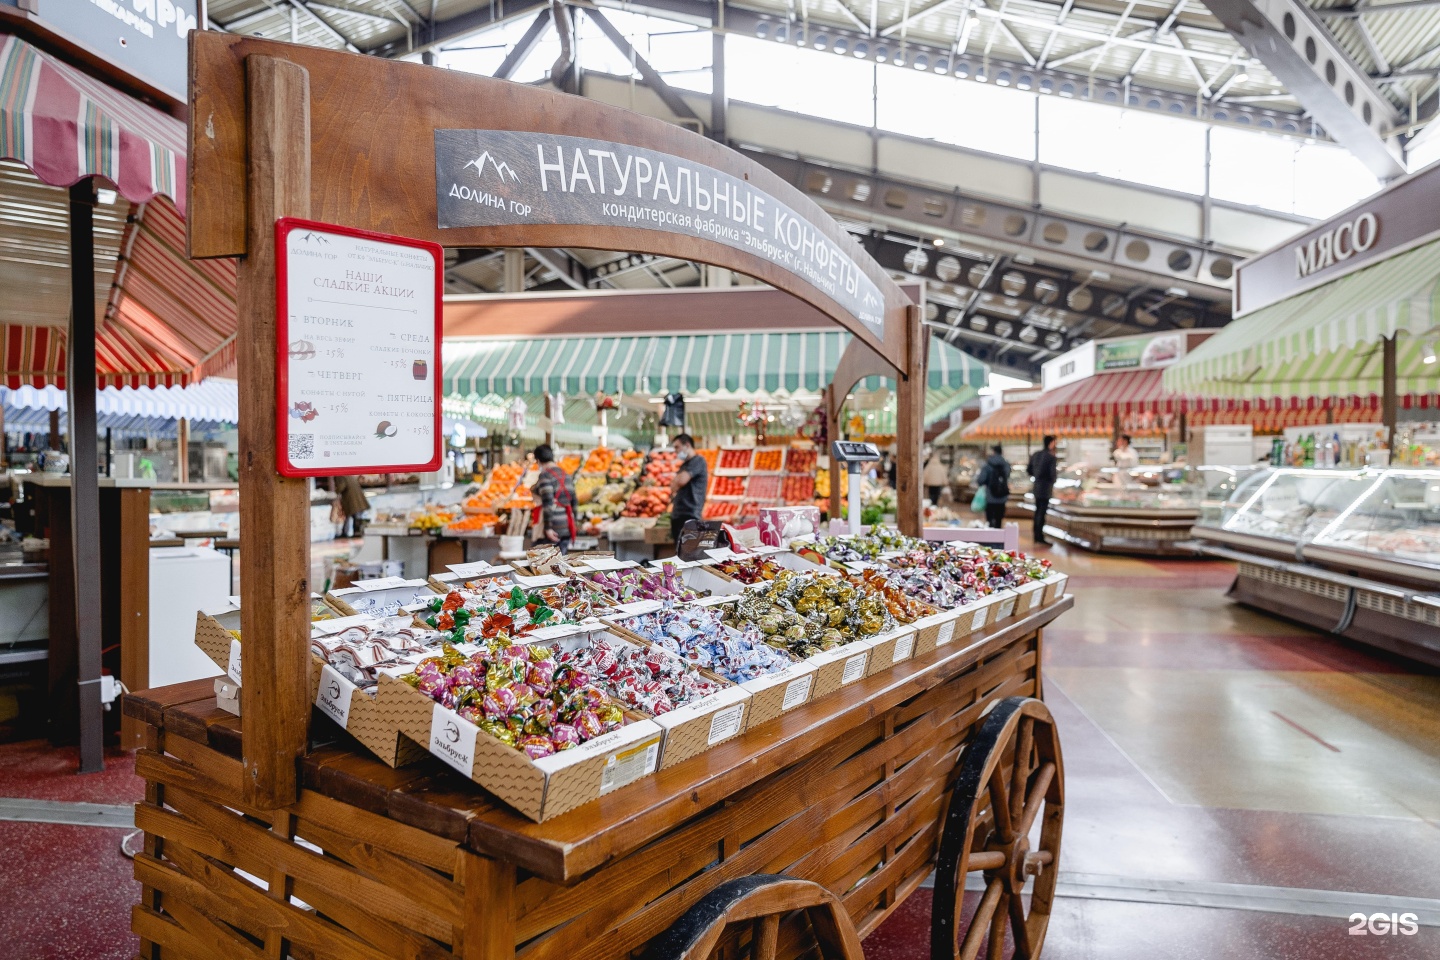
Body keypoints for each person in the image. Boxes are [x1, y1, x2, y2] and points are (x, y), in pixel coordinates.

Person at [530, 444, 577, 551]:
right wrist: (574, 524)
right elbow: (574, 501)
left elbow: (548, 502)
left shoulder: (545, 476)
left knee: (544, 564)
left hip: (553, 528)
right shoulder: (566, 475)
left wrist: (548, 528)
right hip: (566, 525)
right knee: (561, 563)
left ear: (538, 460)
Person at [668, 433, 708, 542]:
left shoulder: (698, 461)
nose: (675, 451)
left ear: (687, 445)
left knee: (689, 552)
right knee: (679, 552)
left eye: (677, 447)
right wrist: (677, 481)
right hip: (678, 515)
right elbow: (673, 486)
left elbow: (680, 481)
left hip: (690, 514)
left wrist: (678, 480)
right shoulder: (684, 465)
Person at [1027, 435, 1059, 546]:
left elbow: (1029, 470)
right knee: (1042, 512)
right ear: (1051, 443)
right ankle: (1040, 536)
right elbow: (1052, 475)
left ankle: (1036, 535)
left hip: (1036, 487)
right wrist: (1052, 481)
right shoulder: (1051, 457)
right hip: (1045, 489)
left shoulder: (1036, 455)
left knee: (1037, 512)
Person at [974, 444, 1011, 529]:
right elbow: (1007, 476)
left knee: (990, 520)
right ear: (1002, 452)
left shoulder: (988, 465)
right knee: (999, 520)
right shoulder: (1006, 465)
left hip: (990, 496)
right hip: (1002, 497)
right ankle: (998, 537)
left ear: (993, 452)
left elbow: (980, 480)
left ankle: (991, 536)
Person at [333, 474, 370, 538]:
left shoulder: (339, 475)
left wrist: (336, 491)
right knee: (354, 516)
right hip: (356, 498)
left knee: (354, 516)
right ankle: (351, 532)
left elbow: (342, 486)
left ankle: (355, 533)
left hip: (351, 499)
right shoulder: (347, 474)